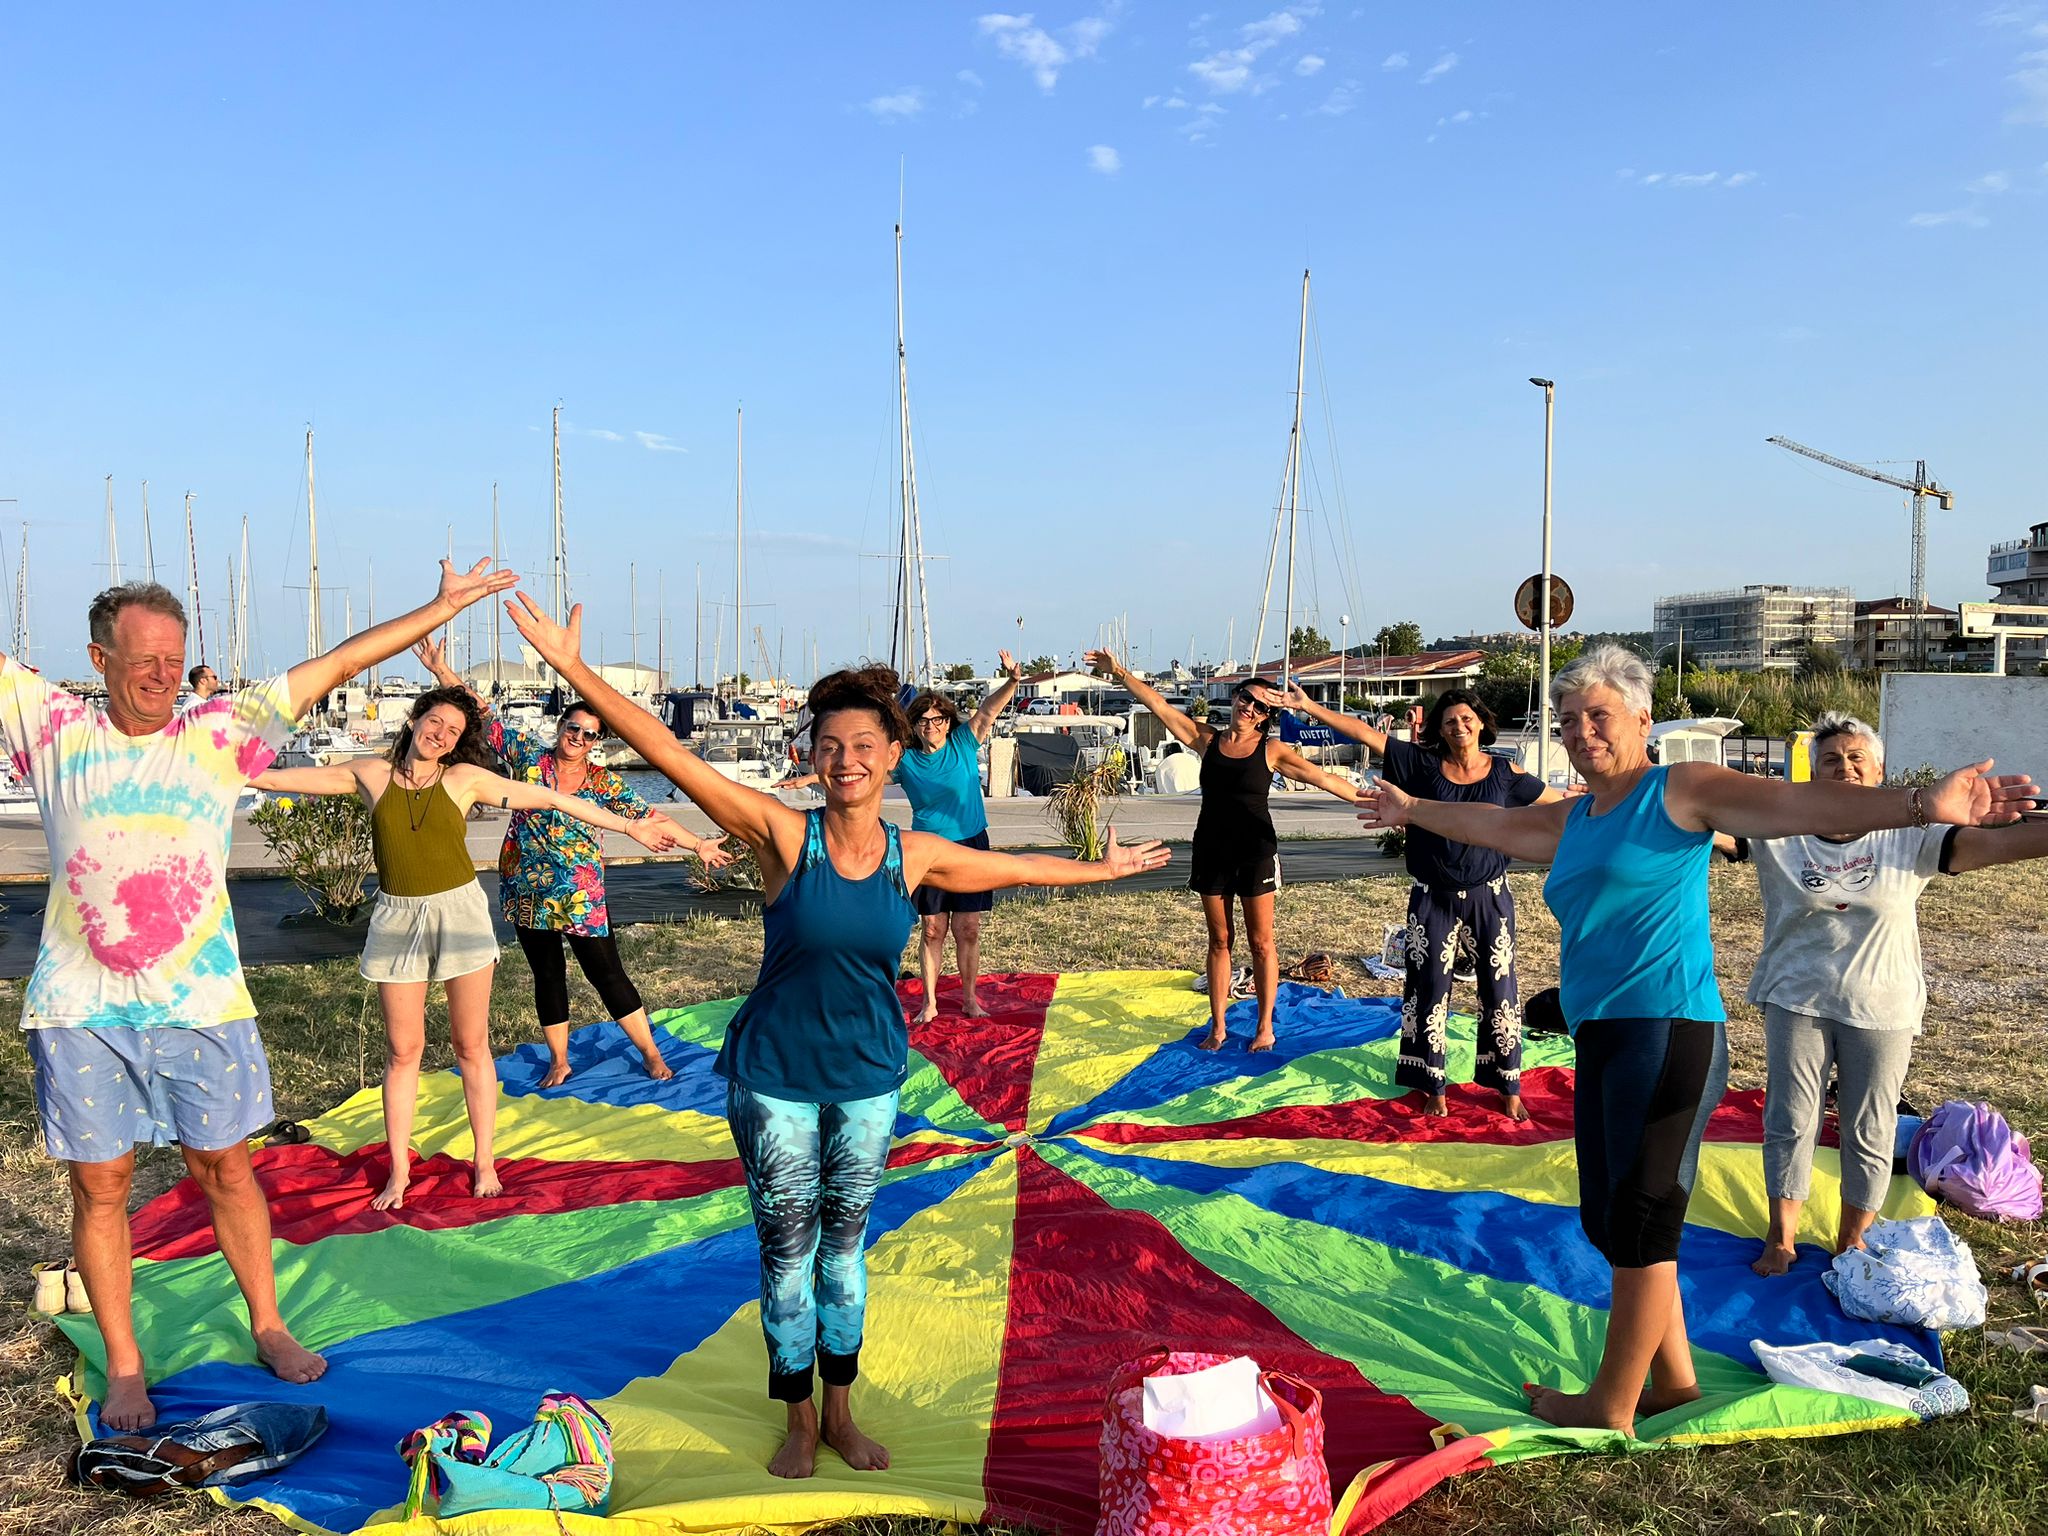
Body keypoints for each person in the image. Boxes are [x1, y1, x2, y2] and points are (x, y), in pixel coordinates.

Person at [502, 593, 1169, 1481]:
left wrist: (1101, 868)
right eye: (829, 746)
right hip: (774, 1076)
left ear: (893, 755)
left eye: (863, 745)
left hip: (867, 1077)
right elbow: (670, 753)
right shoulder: (784, 835)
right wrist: (574, 671)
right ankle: (800, 1418)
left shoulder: (914, 853)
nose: (846, 760)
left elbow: (1013, 867)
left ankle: (843, 1413)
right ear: (810, 757)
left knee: (845, 1256)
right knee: (788, 1254)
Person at [1357, 644, 2031, 1432]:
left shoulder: (1678, 791)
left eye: (1598, 715)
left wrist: (1921, 803)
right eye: (1568, 720)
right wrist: (1411, 809)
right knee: (1609, 1217)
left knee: (1640, 1218)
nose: (1580, 731)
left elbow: (1796, 805)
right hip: (1603, 1033)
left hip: (1667, 1029)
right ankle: (1675, 1381)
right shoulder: (1576, 818)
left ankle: (1609, 1403)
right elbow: (1496, 824)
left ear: (1643, 719)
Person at [0, 560, 517, 1431]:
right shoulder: (50, 726)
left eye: (175, 660)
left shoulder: (217, 731)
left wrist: (438, 607)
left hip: (204, 1006)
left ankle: (268, 1324)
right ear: (98, 658)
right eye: (143, 660)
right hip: (82, 1010)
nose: (162, 675)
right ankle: (126, 1365)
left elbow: (340, 663)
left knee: (228, 1170)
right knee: (101, 1186)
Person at [253, 688, 684, 1212]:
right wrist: (210, 764)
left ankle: (484, 1162)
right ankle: (398, 1171)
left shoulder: (462, 779)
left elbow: (551, 799)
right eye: (435, 722)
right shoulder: (370, 774)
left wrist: (629, 825)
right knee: (403, 1052)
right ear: (415, 719)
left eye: (453, 731)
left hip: (459, 916)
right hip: (397, 920)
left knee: (470, 1046)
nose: (441, 735)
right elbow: (271, 779)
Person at [1720, 712, 2048, 1276]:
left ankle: (1853, 1241)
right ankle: (1781, 1238)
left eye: (1857, 759)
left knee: (1869, 1126)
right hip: (1796, 998)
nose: (1844, 768)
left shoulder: (1911, 835)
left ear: (1879, 773)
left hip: (1883, 1005)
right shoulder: (1778, 831)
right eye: (1831, 759)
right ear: (1812, 773)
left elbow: (1997, 845)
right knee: (1790, 1120)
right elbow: (1704, 823)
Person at [412, 639, 730, 1089]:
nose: (578, 737)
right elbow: (483, 715)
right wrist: (442, 669)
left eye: (589, 734)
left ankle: (651, 1054)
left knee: (607, 974)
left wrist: (697, 845)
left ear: (597, 743)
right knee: (547, 974)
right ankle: (559, 1061)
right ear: (561, 726)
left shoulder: (602, 782)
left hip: (581, 895)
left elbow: (649, 818)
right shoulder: (529, 757)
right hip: (526, 888)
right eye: (573, 727)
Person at [1255, 682, 1559, 1119]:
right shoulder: (1422, 765)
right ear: (1440, 728)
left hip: (1489, 897)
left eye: (1467, 719)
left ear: (1481, 724)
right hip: (1432, 896)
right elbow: (1364, 733)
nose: (1459, 726)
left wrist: (1600, 804)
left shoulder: (1504, 773)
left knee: (1500, 990)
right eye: (1450, 721)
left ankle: (1507, 1084)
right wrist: (1309, 707)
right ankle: (1431, 1082)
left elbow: (1555, 804)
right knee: (1427, 988)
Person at [1088, 651, 1360, 1052]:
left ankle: (1264, 1027)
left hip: (1255, 853)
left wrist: (1385, 806)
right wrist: (1120, 673)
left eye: (1259, 707)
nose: (1249, 708)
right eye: (1245, 698)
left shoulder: (1271, 750)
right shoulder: (1208, 741)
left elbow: (1324, 779)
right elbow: (1160, 706)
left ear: (1266, 717)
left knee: (1261, 943)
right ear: (1235, 698)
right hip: (1211, 850)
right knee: (1219, 940)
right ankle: (1218, 1027)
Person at [899, 651, 1023, 1022]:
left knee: (967, 928)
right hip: (929, 851)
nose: (931, 726)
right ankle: (930, 1003)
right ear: (914, 726)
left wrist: (1013, 681)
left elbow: (987, 711)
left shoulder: (963, 743)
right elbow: (866, 774)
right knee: (933, 929)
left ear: (947, 721)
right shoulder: (905, 760)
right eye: (923, 720)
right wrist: (817, 776)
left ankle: (970, 999)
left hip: (970, 844)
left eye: (937, 719)